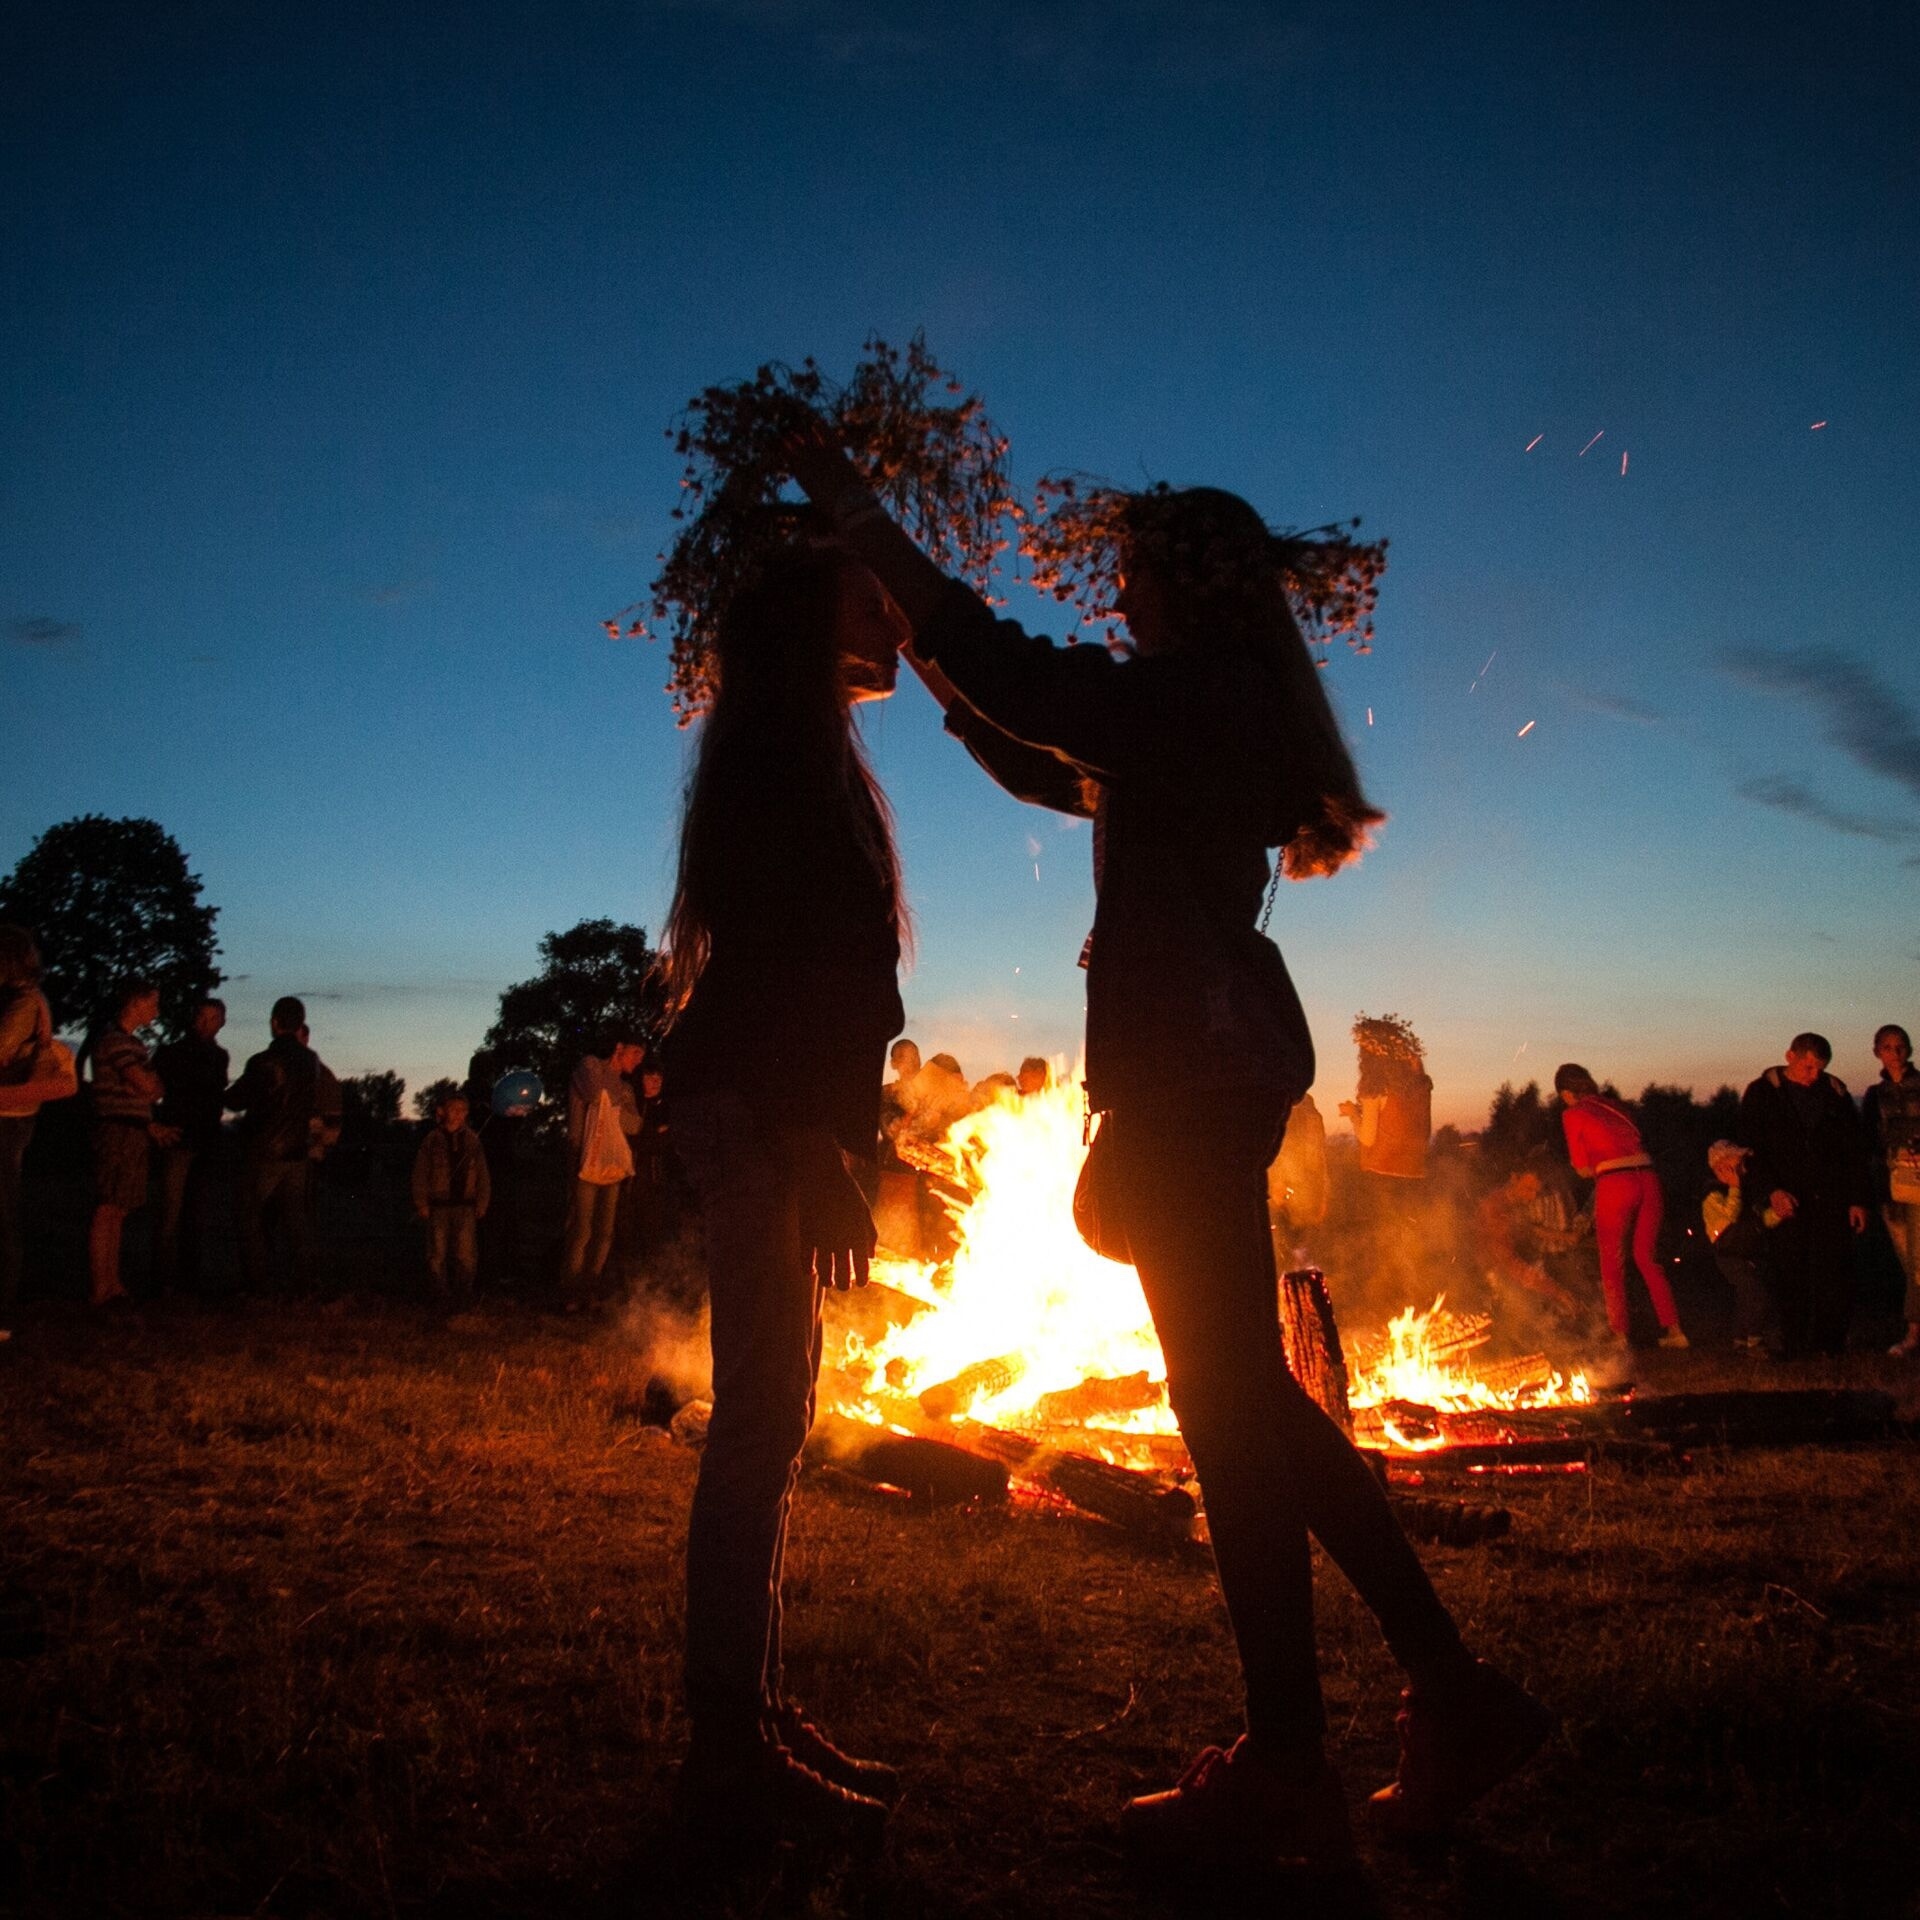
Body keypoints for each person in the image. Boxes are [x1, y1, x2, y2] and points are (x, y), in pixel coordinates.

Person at [786, 446, 1550, 1875]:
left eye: (1131, 569)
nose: (1116, 587)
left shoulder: (1203, 701)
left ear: (1178, 590)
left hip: (1194, 1079)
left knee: (1235, 1414)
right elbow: (1044, 752)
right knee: (1245, 1406)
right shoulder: (1207, 711)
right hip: (1200, 1076)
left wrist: (865, 525)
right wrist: (940, 676)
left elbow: (1047, 694)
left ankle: (1308, 1759)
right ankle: (1426, 1708)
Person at [661, 539, 907, 1848]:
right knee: (760, 1417)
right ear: (815, 623)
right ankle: (725, 1745)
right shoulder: (779, 765)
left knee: (779, 1409)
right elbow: (793, 973)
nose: (898, 620)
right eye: (875, 602)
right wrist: (819, 1145)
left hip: (773, 1115)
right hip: (761, 1116)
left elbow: (831, 975)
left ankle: (745, 1712)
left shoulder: (796, 754)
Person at [1737, 1033, 1869, 1358]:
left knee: (1833, 1272)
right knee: (1789, 1271)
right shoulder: (1763, 1093)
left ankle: (1829, 1344)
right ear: (1790, 1056)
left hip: (1831, 1196)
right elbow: (1752, 1147)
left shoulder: (1834, 1093)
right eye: (1808, 1067)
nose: (1813, 1076)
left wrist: (1857, 1199)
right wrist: (1771, 1191)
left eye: (1819, 1069)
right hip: (1787, 1197)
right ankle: (1794, 1344)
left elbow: (1853, 1151)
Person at [1554, 1065, 1688, 1349]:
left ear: (1566, 1093)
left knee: (1611, 1262)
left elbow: (1581, 1167)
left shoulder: (1573, 1113)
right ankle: (1675, 1331)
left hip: (1617, 1183)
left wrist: (1591, 1167)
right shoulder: (1617, 1106)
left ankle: (1619, 1335)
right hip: (1649, 1179)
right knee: (1647, 1258)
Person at [225, 997, 327, 1297]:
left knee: (249, 1216)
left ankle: (257, 1283)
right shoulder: (311, 1062)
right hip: (296, 1151)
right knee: (297, 1221)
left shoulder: (263, 1062)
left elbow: (236, 1099)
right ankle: (304, 1282)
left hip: (264, 1151)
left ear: (274, 1023)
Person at [0, 926, 79, 1308]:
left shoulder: (23, 1002)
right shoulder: (25, 1000)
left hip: (8, 1112)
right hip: (14, 1111)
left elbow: (1, 1050)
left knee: (3, 1208)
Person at [87, 981, 175, 1307]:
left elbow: (152, 1089)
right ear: (136, 1002)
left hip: (132, 1130)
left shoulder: (130, 1043)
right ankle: (102, 1286)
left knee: (119, 1207)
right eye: (153, 1002)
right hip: (117, 1132)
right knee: (109, 1206)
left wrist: (147, 1090)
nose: (156, 1009)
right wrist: (147, 1085)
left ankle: (112, 1283)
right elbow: (148, 1086)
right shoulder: (117, 1042)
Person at [152, 997, 229, 1293]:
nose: (205, 1023)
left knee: (195, 1213)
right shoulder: (173, 1052)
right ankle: (163, 1281)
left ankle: (188, 1279)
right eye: (202, 1016)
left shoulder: (219, 1056)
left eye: (212, 1018)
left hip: (205, 1141)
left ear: (221, 1022)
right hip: (180, 1138)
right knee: (170, 1213)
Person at [560, 1034, 644, 1306]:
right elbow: (595, 1094)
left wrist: (613, 1108)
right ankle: (570, 1290)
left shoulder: (626, 1088)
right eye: (634, 1053)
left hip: (612, 1163)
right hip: (584, 1157)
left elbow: (634, 1125)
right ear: (619, 1048)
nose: (638, 1060)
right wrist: (613, 1104)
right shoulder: (590, 1066)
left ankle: (589, 1287)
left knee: (604, 1230)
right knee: (582, 1227)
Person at [1859, 1024, 1920, 1357]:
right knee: (1906, 1259)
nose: (1895, 1053)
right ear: (1877, 1051)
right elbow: (1867, 1141)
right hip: (1891, 1187)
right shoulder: (1874, 1095)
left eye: (1900, 1047)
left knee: (1919, 1259)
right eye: (1888, 1047)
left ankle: (1913, 1332)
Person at [411, 1090, 490, 1302]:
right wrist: (421, 1202)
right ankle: (439, 1294)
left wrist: (482, 1201)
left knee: (466, 1254)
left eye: (463, 1111)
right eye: (454, 1110)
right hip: (438, 1206)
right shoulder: (431, 1141)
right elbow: (420, 1173)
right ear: (441, 1111)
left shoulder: (473, 1140)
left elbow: (482, 1174)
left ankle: (463, 1294)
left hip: (466, 1206)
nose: (459, 1114)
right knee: (437, 1254)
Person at [1702, 1139, 1779, 1352]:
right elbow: (1730, 1216)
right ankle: (1754, 1338)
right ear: (1721, 1167)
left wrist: (1778, 1215)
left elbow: (1759, 1219)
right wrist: (1735, 1187)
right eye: (1739, 1164)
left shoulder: (1745, 1191)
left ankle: (1740, 1340)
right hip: (1728, 1254)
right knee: (1755, 1292)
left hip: (1745, 1251)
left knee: (1746, 1294)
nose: (1744, 1168)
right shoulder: (1713, 1195)